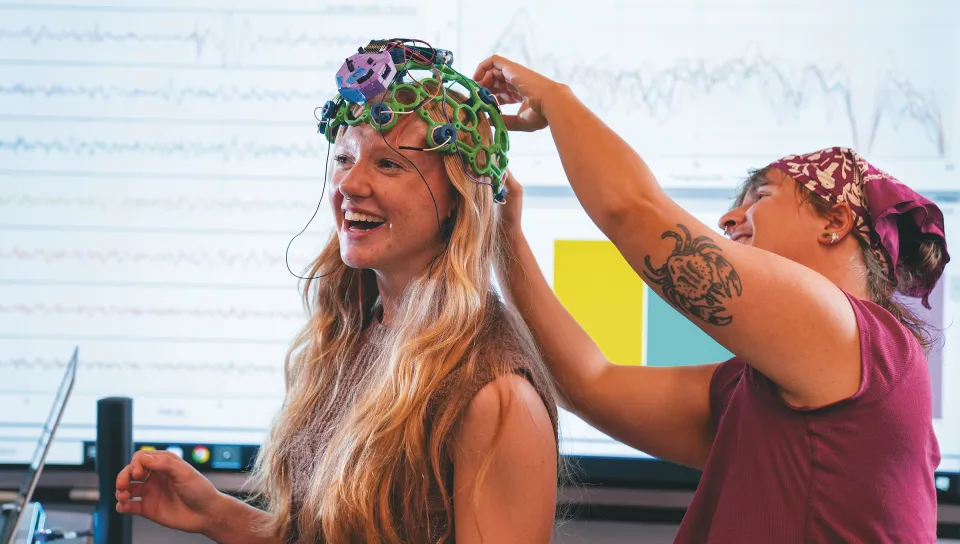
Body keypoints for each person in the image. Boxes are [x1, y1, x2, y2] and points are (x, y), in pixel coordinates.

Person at [474, 55, 950, 542]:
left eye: (760, 197)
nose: (728, 219)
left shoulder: (859, 341)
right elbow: (588, 382)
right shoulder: (754, 387)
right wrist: (503, 232)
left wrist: (555, 98)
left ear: (835, 221)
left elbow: (633, 212)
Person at [114, 41, 561, 544]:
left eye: (389, 165)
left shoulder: (494, 398)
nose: (351, 183)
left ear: (460, 198)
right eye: (345, 157)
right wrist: (217, 514)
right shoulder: (352, 335)